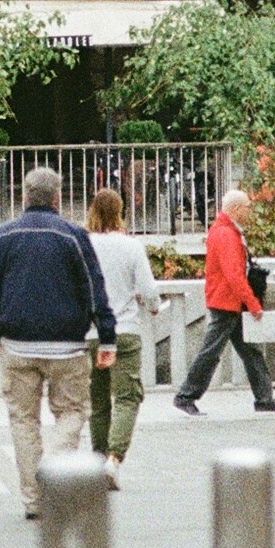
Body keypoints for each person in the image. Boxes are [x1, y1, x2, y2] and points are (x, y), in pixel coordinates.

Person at [0, 168, 118, 519]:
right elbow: (94, 286)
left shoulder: (1, 237)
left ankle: (34, 500)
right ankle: (54, 465)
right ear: (57, 198)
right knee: (72, 412)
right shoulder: (73, 236)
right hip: (67, 345)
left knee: (23, 421)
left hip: (17, 344)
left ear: (25, 196)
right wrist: (107, 335)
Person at [173, 188, 275, 416]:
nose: (249, 212)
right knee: (214, 352)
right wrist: (252, 303)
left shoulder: (225, 231)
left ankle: (264, 398)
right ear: (235, 209)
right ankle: (186, 396)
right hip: (227, 302)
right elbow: (234, 274)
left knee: (243, 351)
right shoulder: (227, 234)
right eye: (246, 208)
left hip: (228, 301)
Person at [81, 189, 160, 484]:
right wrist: (152, 306)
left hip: (91, 332)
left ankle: (98, 455)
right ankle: (114, 459)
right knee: (127, 397)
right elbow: (148, 290)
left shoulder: (83, 245)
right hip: (124, 329)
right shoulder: (131, 246)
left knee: (97, 399)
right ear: (120, 211)